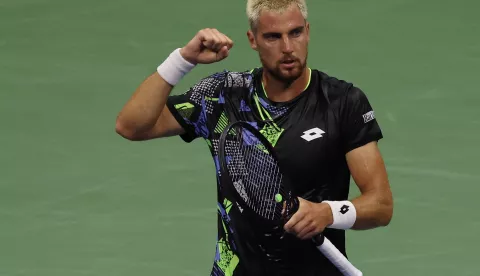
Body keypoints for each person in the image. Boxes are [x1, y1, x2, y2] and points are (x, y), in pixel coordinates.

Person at [115, 0, 394, 275]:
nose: (287, 48)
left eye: (295, 33)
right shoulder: (223, 95)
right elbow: (131, 126)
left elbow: (380, 205)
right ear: (253, 39)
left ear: (308, 31)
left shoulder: (342, 102)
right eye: (273, 37)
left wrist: (328, 212)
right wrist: (182, 60)